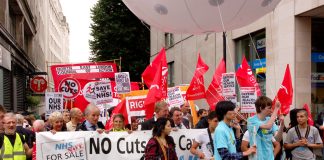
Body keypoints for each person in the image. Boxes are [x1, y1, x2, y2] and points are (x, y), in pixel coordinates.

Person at [247, 96, 281, 160]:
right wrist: (276, 109)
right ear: (261, 108)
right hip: (256, 157)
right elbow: (268, 126)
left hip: (269, 157)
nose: (271, 110)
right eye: (269, 108)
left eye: (272, 108)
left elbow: (278, 139)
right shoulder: (251, 120)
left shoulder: (269, 120)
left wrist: (282, 124)